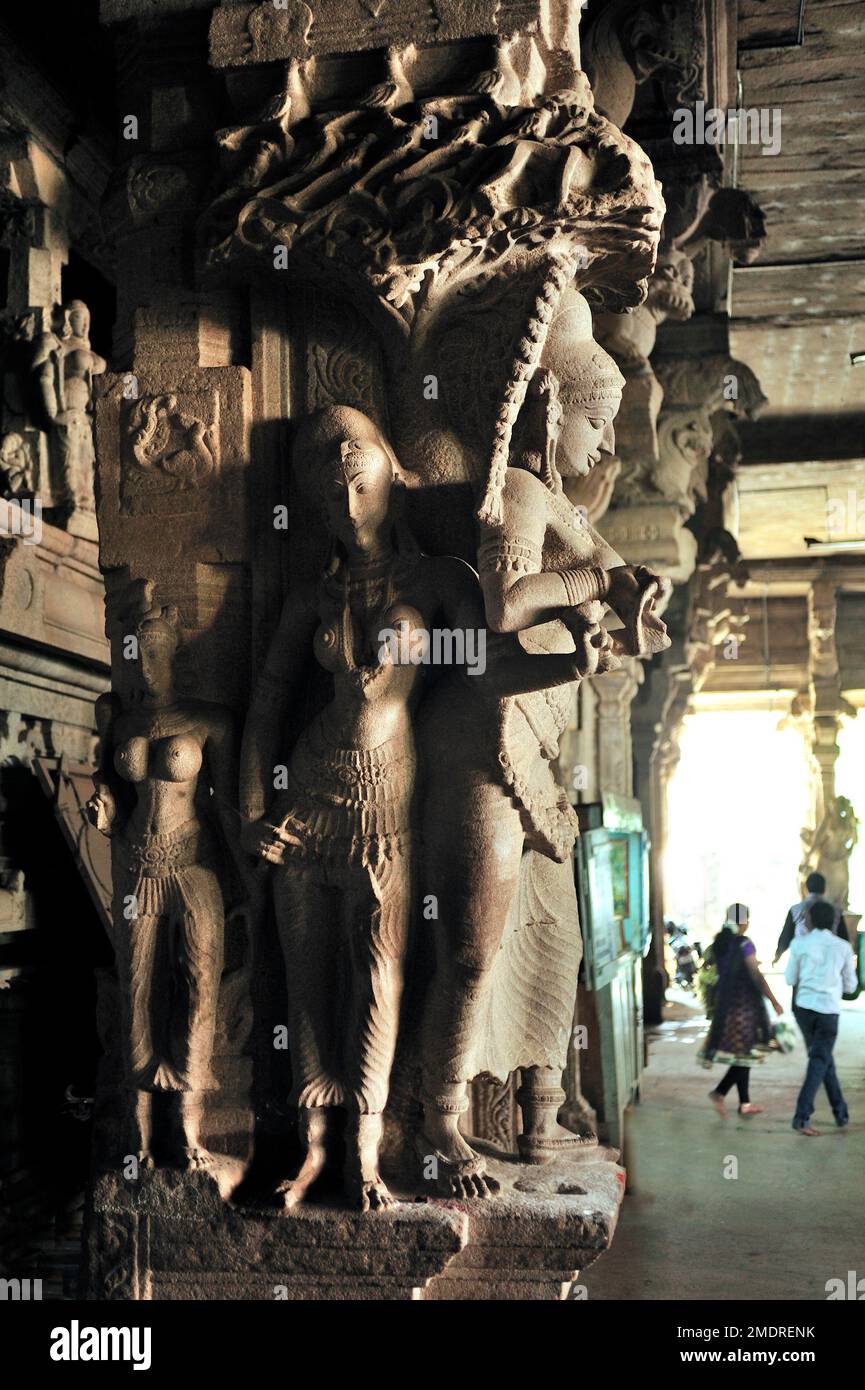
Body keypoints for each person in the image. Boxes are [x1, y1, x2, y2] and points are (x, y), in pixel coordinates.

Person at [699, 903, 784, 1117]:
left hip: (726, 1006)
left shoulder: (720, 942)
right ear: (744, 921)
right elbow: (755, 975)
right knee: (745, 1055)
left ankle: (745, 1103)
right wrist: (774, 1000)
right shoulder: (745, 944)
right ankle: (720, 1092)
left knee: (742, 1054)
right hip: (745, 1007)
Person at [786, 899, 857, 1136]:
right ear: (835, 921)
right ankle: (802, 1116)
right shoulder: (843, 947)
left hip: (804, 1009)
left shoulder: (799, 944)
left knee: (821, 1059)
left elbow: (789, 978)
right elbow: (850, 987)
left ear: (810, 920)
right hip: (828, 1010)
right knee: (820, 1059)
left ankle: (840, 1111)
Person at [773, 871, 847, 965]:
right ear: (824, 888)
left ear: (806, 888)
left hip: (804, 959)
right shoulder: (836, 910)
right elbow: (843, 937)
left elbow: (786, 936)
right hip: (829, 959)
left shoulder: (796, 909)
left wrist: (777, 956)